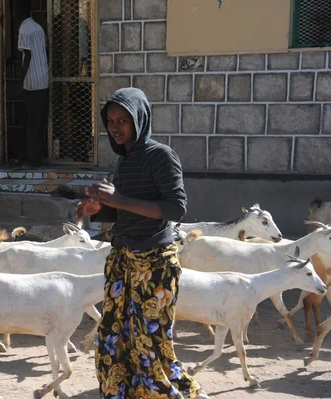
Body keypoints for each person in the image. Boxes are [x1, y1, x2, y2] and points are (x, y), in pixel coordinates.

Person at [76, 88, 210, 398]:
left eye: (123, 120)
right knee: (115, 337)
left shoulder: (160, 156)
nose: (115, 127)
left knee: (151, 344)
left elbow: (176, 208)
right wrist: (99, 209)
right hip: (123, 259)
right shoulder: (124, 162)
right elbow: (126, 208)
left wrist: (119, 199)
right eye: (110, 121)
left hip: (155, 264)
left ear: (140, 119)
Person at [15, 0, 49, 166]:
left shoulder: (24, 28)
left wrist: (20, 81)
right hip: (43, 78)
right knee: (38, 122)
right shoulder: (38, 27)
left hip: (31, 83)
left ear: (20, 11)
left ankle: (31, 159)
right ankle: (36, 156)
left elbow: (27, 56)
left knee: (31, 124)